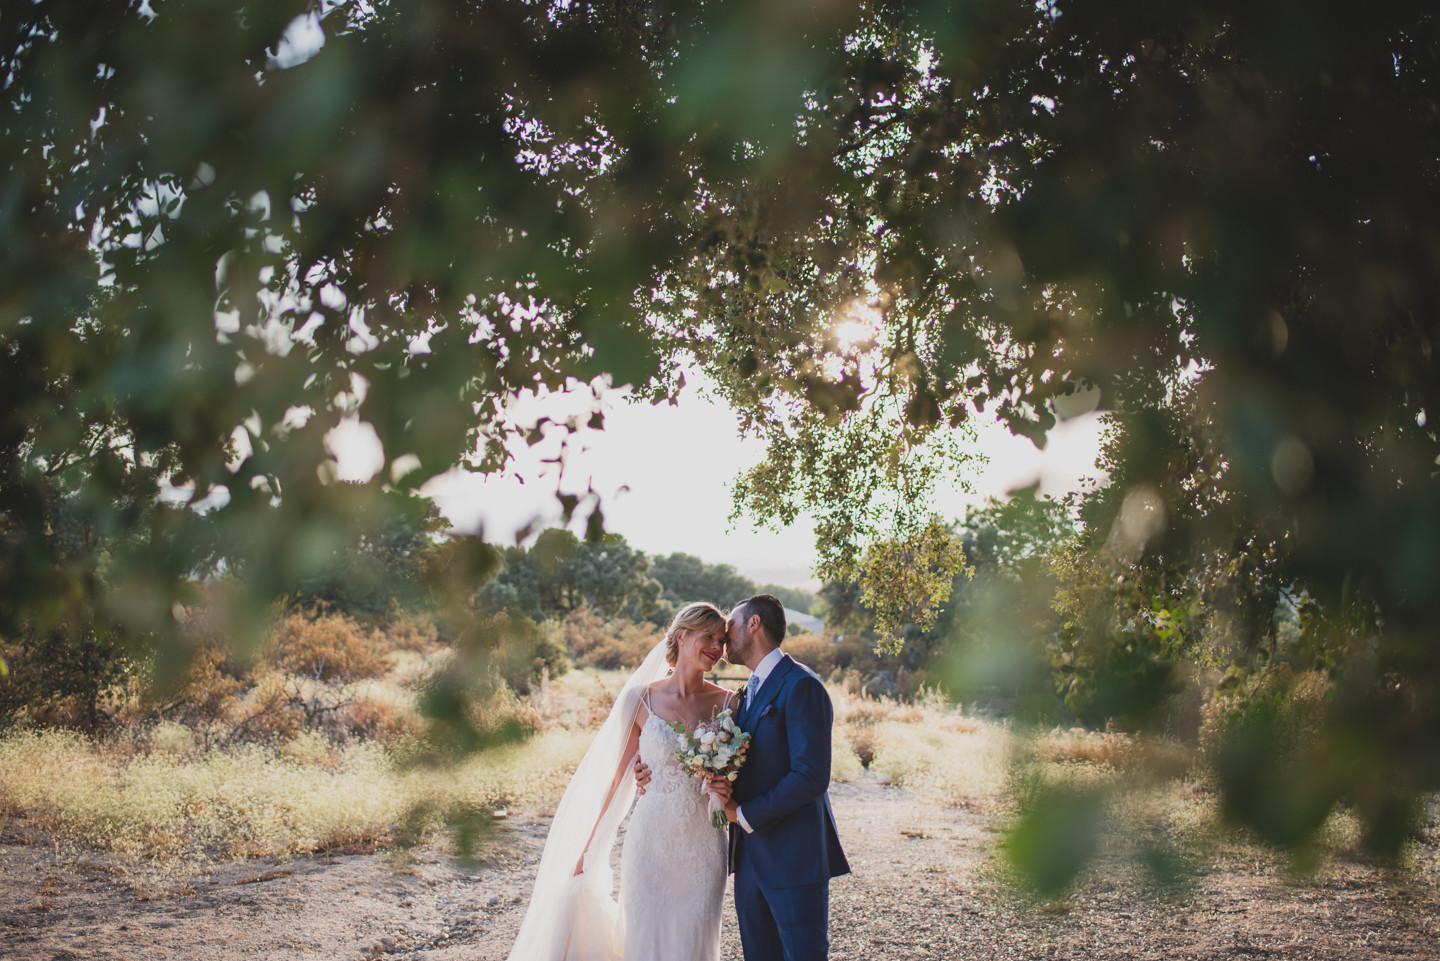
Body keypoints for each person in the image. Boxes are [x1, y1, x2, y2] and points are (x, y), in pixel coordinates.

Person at [504, 601, 737, 961]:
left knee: (696, 938)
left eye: (722, 640)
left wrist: (728, 788)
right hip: (650, 842)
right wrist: (588, 848)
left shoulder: (729, 704)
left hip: (704, 845)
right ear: (681, 636)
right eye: (708, 636)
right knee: (645, 939)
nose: (717, 648)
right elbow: (616, 781)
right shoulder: (640, 698)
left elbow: (742, 768)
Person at [707, 593, 850, 961]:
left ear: (754, 624)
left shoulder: (801, 685)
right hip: (750, 859)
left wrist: (744, 814)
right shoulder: (748, 690)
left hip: (793, 857)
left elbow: (811, 776)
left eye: (731, 626)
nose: (724, 638)